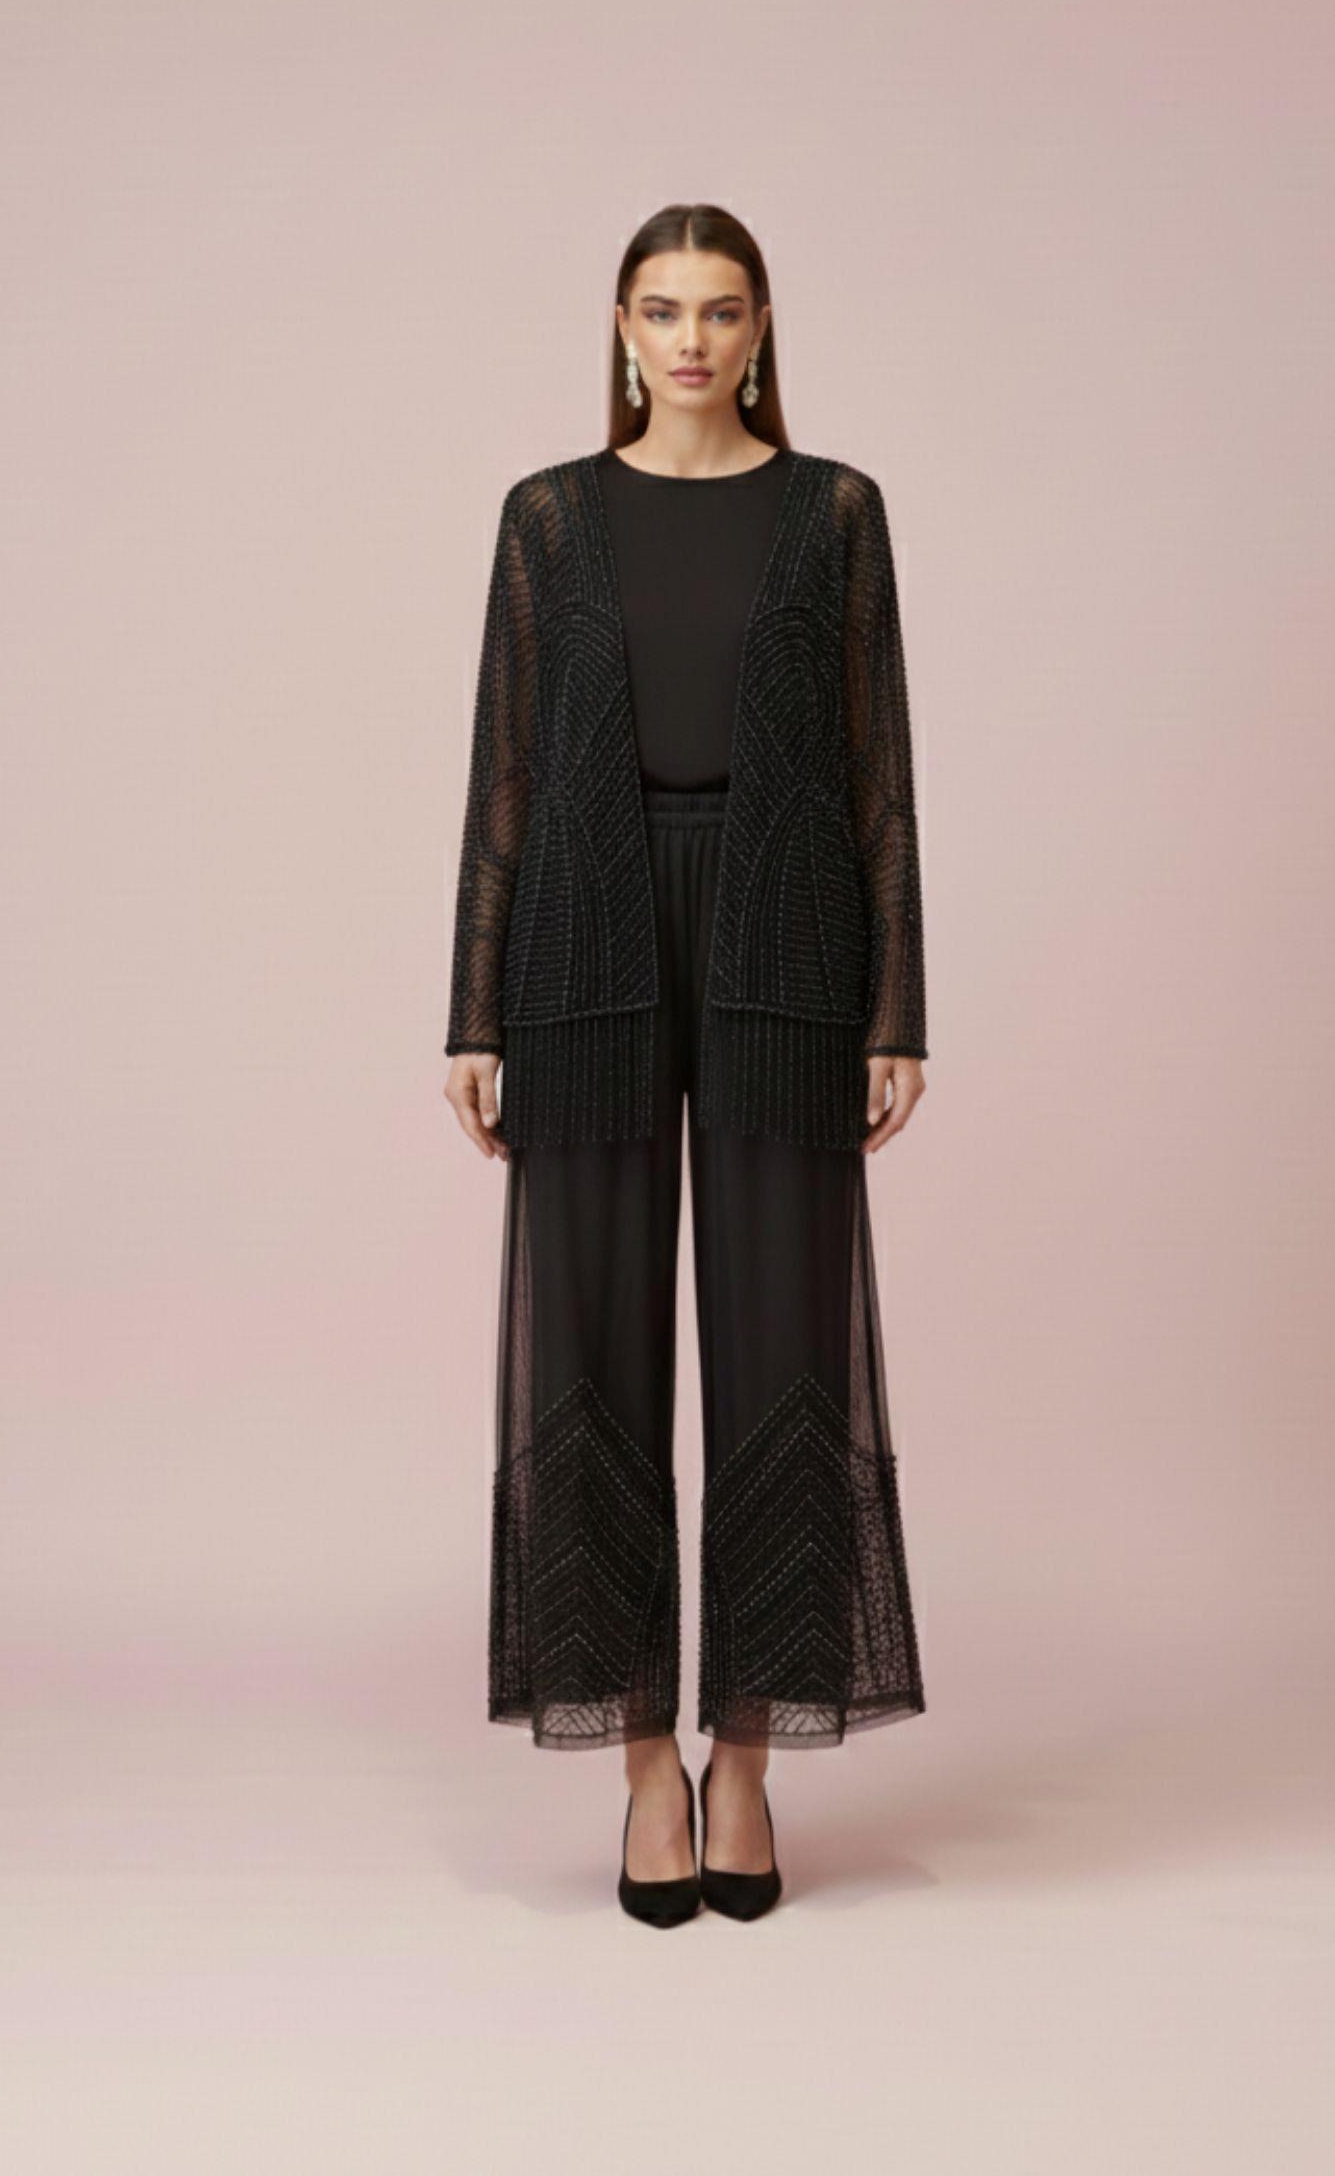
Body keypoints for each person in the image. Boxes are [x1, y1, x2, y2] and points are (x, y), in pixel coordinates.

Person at [443, 203, 929, 1925]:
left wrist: (898, 1008)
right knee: (588, 1338)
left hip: (784, 932)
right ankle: (645, 1760)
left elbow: (879, 775)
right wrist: (473, 1010)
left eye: (722, 311)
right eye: (664, 311)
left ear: (763, 327)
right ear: (623, 330)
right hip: (586, 931)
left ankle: (748, 1760)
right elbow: (505, 773)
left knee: (787, 1342)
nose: (695, 340)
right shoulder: (549, 518)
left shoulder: (835, 513)